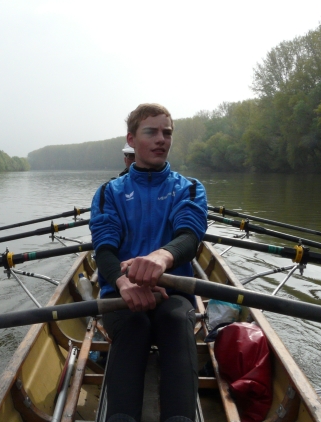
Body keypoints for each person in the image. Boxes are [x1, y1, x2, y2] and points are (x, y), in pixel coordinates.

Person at [89, 103, 208, 422]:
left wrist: (161, 257)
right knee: (134, 324)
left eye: (167, 133)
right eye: (151, 132)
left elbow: (189, 236)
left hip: (174, 292)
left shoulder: (191, 188)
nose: (161, 139)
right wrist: (124, 282)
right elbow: (104, 250)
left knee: (174, 320)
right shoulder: (108, 193)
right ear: (132, 138)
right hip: (120, 294)